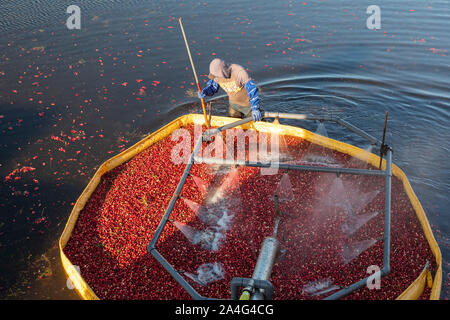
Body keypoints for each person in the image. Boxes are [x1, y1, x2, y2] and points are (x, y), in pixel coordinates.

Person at [198, 58, 263, 122]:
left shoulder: (239, 72)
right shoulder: (216, 77)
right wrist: (205, 92)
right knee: (233, 127)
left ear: (223, 72)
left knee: (258, 124)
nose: (216, 78)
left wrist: (255, 108)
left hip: (248, 106)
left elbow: (252, 89)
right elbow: (213, 88)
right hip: (234, 106)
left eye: (218, 76)